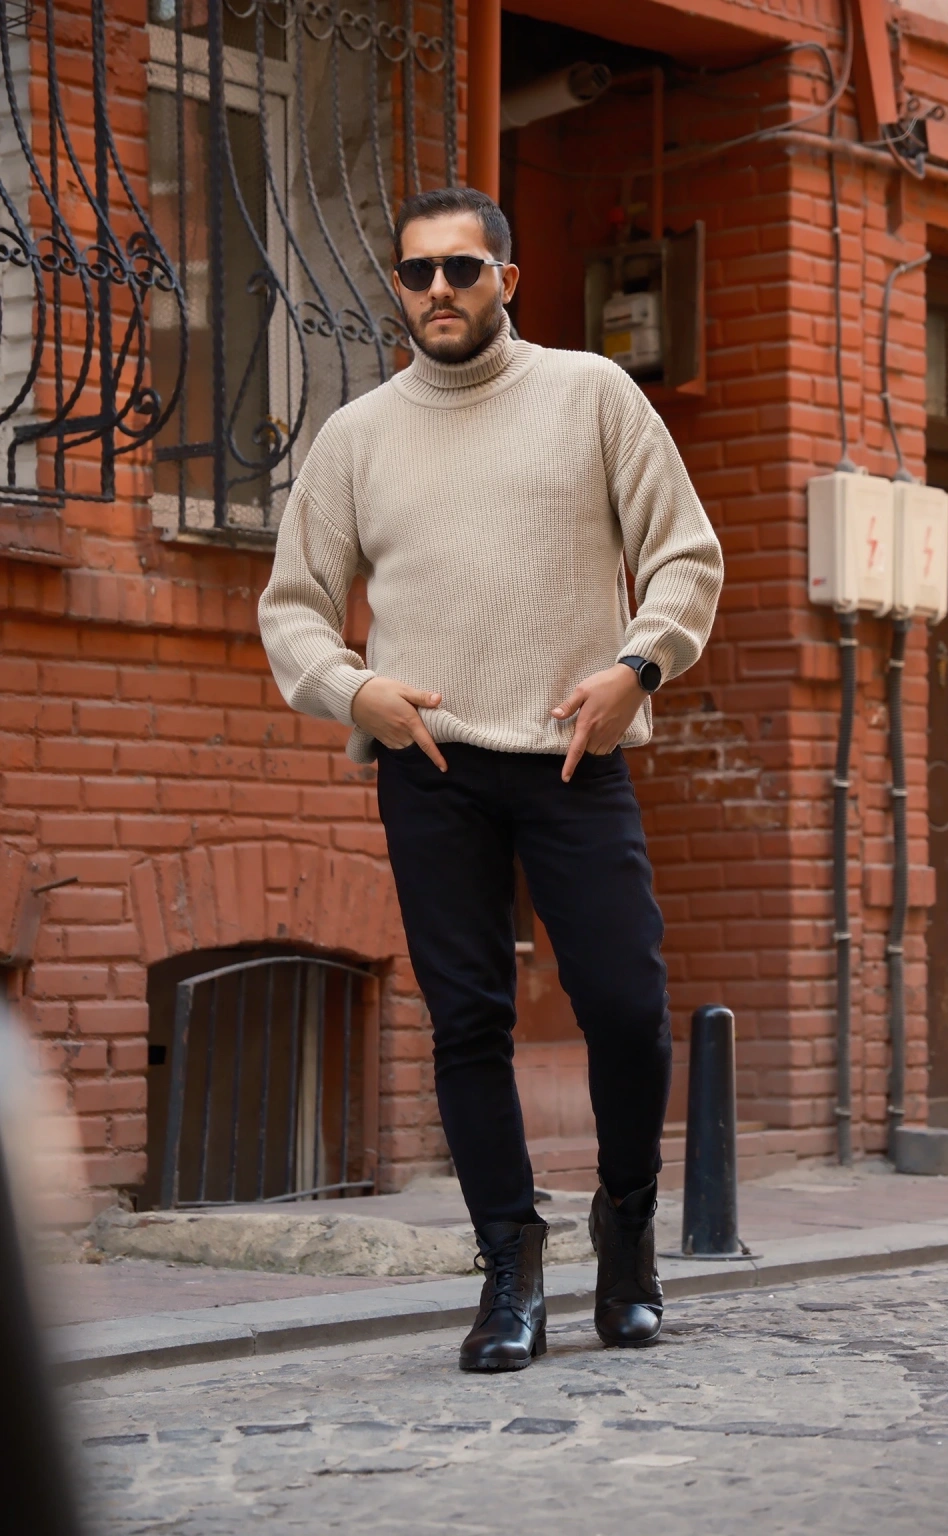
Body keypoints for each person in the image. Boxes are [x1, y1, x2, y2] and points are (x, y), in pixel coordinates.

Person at [259, 186, 723, 1372]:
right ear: (398, 287)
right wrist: (354, 691)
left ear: (505, 280)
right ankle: (509, 1268)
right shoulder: (356, 436)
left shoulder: (591, 394)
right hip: (430, 765)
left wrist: (636, 668)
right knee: (467, 1021)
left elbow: (684, 555)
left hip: (575, 754)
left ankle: (626, 1228)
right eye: (417, 272)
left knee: (624, 1003)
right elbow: (292, 607)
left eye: (462, 269)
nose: (438, 291)